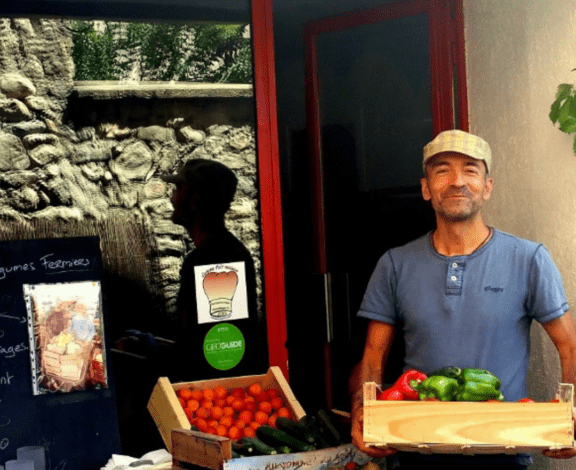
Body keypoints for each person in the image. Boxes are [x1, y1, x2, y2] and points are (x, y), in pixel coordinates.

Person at [349, 129, 576, 469]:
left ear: (487, 187)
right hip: (417, 450)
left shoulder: (528, 260)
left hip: (503, 451)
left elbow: (570, 347)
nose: (457, 181)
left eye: (471, 170)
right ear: (426, 188)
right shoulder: (395, 264)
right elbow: (373, 355)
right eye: (442, 170)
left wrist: (571, 412)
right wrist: (361, 409)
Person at [162, 158, 268, 380]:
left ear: (195, 200)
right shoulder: (224, 253)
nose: (172, 197)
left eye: (178, 189)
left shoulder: (216, 260)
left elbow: (218, 348)